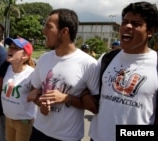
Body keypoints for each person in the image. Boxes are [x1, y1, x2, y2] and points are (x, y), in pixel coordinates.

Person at [89, 2, 158, 141]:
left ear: (150, 31)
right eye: (124, 22)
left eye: (136, 23)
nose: (127, 26)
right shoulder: (106, 59)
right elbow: (87, 89)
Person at [28, 8, 99, 141]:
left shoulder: (89, 64)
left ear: (64, 32)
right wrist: (41, 103)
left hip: (67, 137)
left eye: (49, 27)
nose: (44, 31)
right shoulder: (44, 59)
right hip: (39, 131)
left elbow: (95, 107)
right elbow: (34, 91)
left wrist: (67, 98)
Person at [0, 37, 37, 141]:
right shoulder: (7, 68)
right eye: (10, 47)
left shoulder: (32, 74)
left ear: (25, 55)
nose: (10, 50)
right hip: (8, 119)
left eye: (15, 48)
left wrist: (37, 92)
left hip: (24, 122)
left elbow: (39, 92)